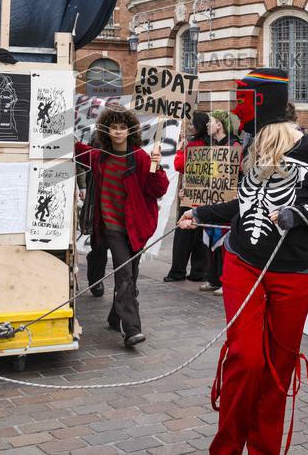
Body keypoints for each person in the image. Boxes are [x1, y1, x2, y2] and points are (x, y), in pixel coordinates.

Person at [177, 68, 308, 455]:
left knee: (277, 369)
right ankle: (225, 449)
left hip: (293, 274)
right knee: (245, 358)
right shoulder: (251, 147)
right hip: (243, 265)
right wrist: (201, 213)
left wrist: (301, 213)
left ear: (261, 103)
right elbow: (245, 206)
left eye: (242, 101)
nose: (235, 111)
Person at [75, 104, 168, 348]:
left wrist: (157, 169)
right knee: (124, 274)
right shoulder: (100, 157)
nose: (118, 132)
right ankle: (132, 329)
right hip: (111, 226)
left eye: (122, 127)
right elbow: (77, 149)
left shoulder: (140, 157)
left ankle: (115, 318)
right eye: (113, 127)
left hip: (135, 227)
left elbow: (157, 190)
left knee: (130, 277)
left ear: (130, 130)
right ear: (106, 131)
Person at [198, 110, 242, 297]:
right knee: (211, 242)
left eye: (211, 121)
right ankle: (214, 278)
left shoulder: (235, 146)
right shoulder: (211, 146)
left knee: (225, 244)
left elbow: (240, 173)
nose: (208, 125)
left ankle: (226, 280)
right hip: (213, 199)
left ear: (220, 125)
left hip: (228, 202)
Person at [166, 111, 212, 283]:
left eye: (192, 124)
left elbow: (179, 165)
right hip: (207, 197)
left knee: (183, 237)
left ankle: (177, 271)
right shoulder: (213, 145)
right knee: (201, 236)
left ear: (199, 127)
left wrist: (180, 150)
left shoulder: (193, 145)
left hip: (191, 196)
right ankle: (199, 272)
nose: (190, 126)